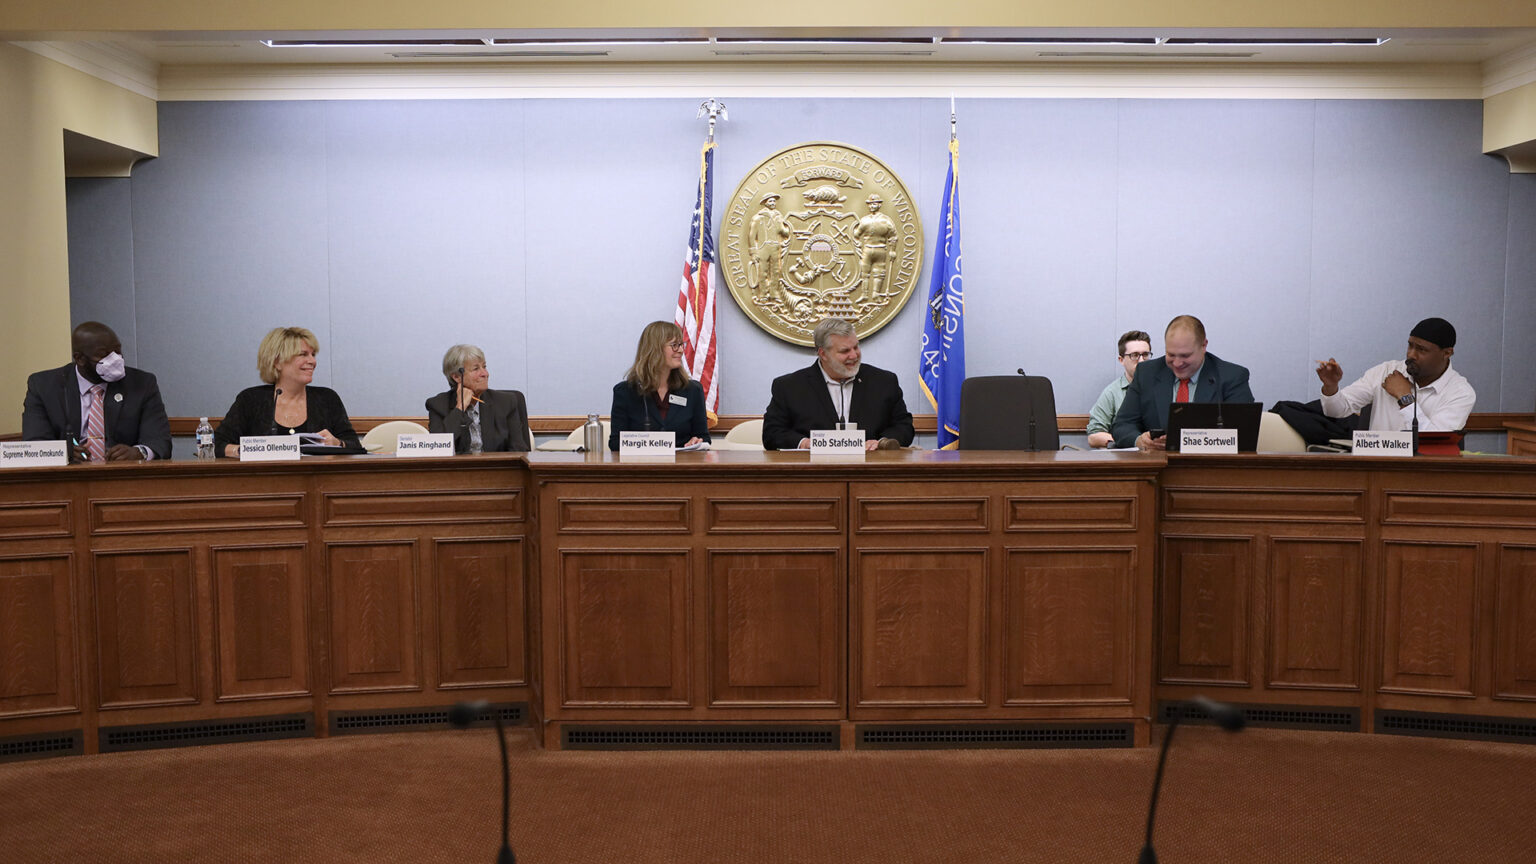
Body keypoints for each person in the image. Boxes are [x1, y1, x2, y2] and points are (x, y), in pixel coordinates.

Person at [21, 321, 171, 462]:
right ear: (79, 359)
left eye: (117, 351)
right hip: (66, 479)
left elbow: (160, 441)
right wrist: (62, 453)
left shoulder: (142, 383)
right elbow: (35, 442)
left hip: (123, 478)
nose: (115, 359)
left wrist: (139, 452)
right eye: (103, 354)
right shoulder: (44, 386)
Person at [763, 317, 914, 451]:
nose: (854, 355)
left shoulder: (884, 382)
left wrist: (881, 443)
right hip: (812, 473)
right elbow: (772, 433)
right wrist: (804, 443)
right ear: (823, 354)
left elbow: (904, 426)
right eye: (845, 351)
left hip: (871, 471)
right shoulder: (789, 387)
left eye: (856, 347)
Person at [1111, 315, 1254, 451]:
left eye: (1185, 356)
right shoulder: (1147, 373)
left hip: (1211, 469)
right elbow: (1122, 425)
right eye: (1171, 355)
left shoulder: (1232, 377)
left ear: (1203, 346)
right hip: (1157, 469)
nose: (1178, 363)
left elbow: (1243, 434)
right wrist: (1139, 440)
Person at [214, 326, 360, 457]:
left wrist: (338, 443)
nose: (312, 361)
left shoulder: (327, 398)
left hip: (318, 482)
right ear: (277, 362)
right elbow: (217, 444)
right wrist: (246, 451)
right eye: (303, 354)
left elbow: (354, 444)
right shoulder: (251, 400)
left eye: (313, 354)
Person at [1316, 317, 1475, 432]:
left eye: (1421, 349)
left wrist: (1405, 397)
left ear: (1447, 353)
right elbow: (1336, 411)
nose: (1411, 354)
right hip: (1376, 469)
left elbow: (1433, 441)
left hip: (1423, 474)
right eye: (1410, 345)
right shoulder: (1386, 371)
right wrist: (1331, 387)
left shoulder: (1460, 392)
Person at [608, 321, 710, 450]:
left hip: (681, 467)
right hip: (641, 467)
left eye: (681, 345)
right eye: (674, 345)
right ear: (655, 349)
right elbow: (615, 443)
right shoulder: (625, 392)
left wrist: (697, 441)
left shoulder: (693, 390)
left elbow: (704, 438)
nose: (681, 350)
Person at [425, 344, 532, 453]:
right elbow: (437, 449)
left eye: (484, 367)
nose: (485, 374)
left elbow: (519, 450)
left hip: (497, 468)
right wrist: (460, 407)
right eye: (476, 369)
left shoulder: (506, 402)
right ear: (457, 377)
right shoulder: (437, 405)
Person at [1086, 329, 1153, 448]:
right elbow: (1093, 436)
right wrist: (1131, 440)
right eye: (1135, 355)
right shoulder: (1112, 392)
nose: (1142, 360)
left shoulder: (1161, 388)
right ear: (1121, 360)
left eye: (1145, 355)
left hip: (1158, 456)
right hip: (1124, 458)